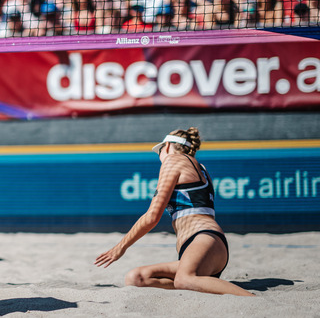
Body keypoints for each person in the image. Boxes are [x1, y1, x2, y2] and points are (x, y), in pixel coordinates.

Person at [95, 127, 253, 296]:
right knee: (137, 278)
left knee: (184, 279)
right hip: (208, 247)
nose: (159, 156)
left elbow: (152, 216)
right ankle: (201, 281)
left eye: (160, 151)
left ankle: (252, 299)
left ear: (168, 146)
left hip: (204, 238)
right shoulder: (201, 167)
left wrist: (120, 247)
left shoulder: (174, 160)